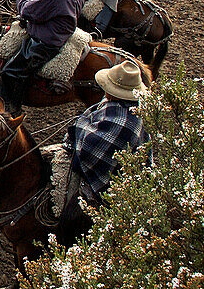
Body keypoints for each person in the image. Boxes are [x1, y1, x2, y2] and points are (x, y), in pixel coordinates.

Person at [0, 0, 85, 115]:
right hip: (63, 32)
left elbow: (29, 12)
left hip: (47, 41)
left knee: (10, 71)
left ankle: (12, 109)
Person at [61, 60, 148, 219]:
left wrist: (81, 123)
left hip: (116, 183)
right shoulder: (124, 106)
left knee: (71, 217)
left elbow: (89, 146)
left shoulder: (124, 121)